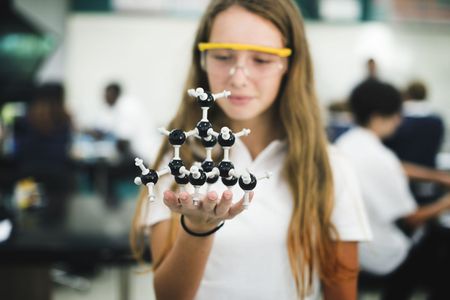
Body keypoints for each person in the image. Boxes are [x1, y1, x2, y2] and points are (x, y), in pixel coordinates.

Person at [131, 1, 371, 299]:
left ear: (290, 64)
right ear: (202, 60)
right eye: (222, 56)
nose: (239, 77)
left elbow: (342, 291)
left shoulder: (329, 167)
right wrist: (198, 229)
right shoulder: (179, 163)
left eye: (261, 60)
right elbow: (169, 295)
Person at [335, 79, 450, 299]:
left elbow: (397, 168)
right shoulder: (380, 157)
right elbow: (413, 218)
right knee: (438, 242)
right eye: (397, 115)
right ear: (378, 117)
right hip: (377, 253)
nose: (399, 121)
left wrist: (438, 177)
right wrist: (445, 203)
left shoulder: (347, 143)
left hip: (349, 243)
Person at [14, 82, 74, 223]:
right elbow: (65, 148)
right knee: (57, 219)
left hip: (28, 175)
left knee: (27, 218)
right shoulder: (64, 118)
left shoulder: (25, 118)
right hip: (58, 176)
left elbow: (19, 151)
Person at [384, 80, 450, 205]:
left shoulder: (399, 121)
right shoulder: (437, 120)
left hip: (404, 178)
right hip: (430, 180)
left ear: (407, 95)